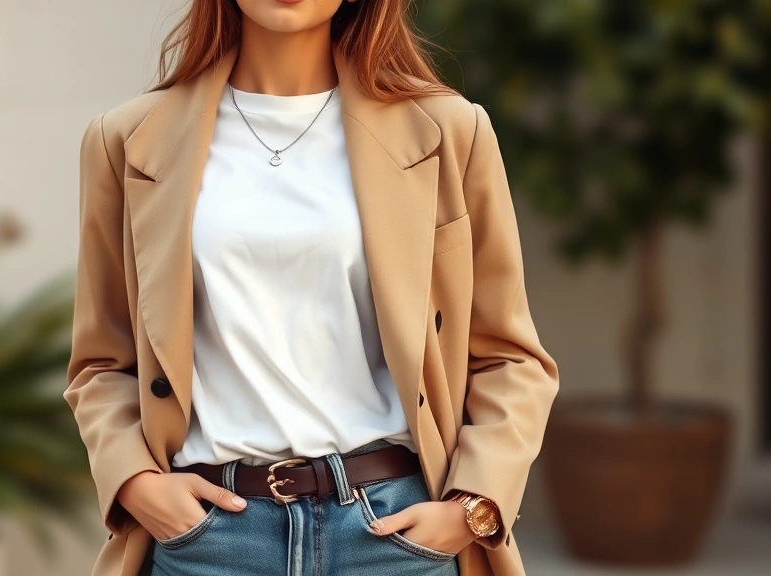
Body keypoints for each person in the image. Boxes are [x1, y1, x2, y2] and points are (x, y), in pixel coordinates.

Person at [64, 1, 560, 575]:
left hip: (393, 536)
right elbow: (102, 359)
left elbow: (509, 355)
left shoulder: (449, 131)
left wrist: (472, 505)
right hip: (208, 541)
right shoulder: (126, 139)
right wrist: (135, 482)